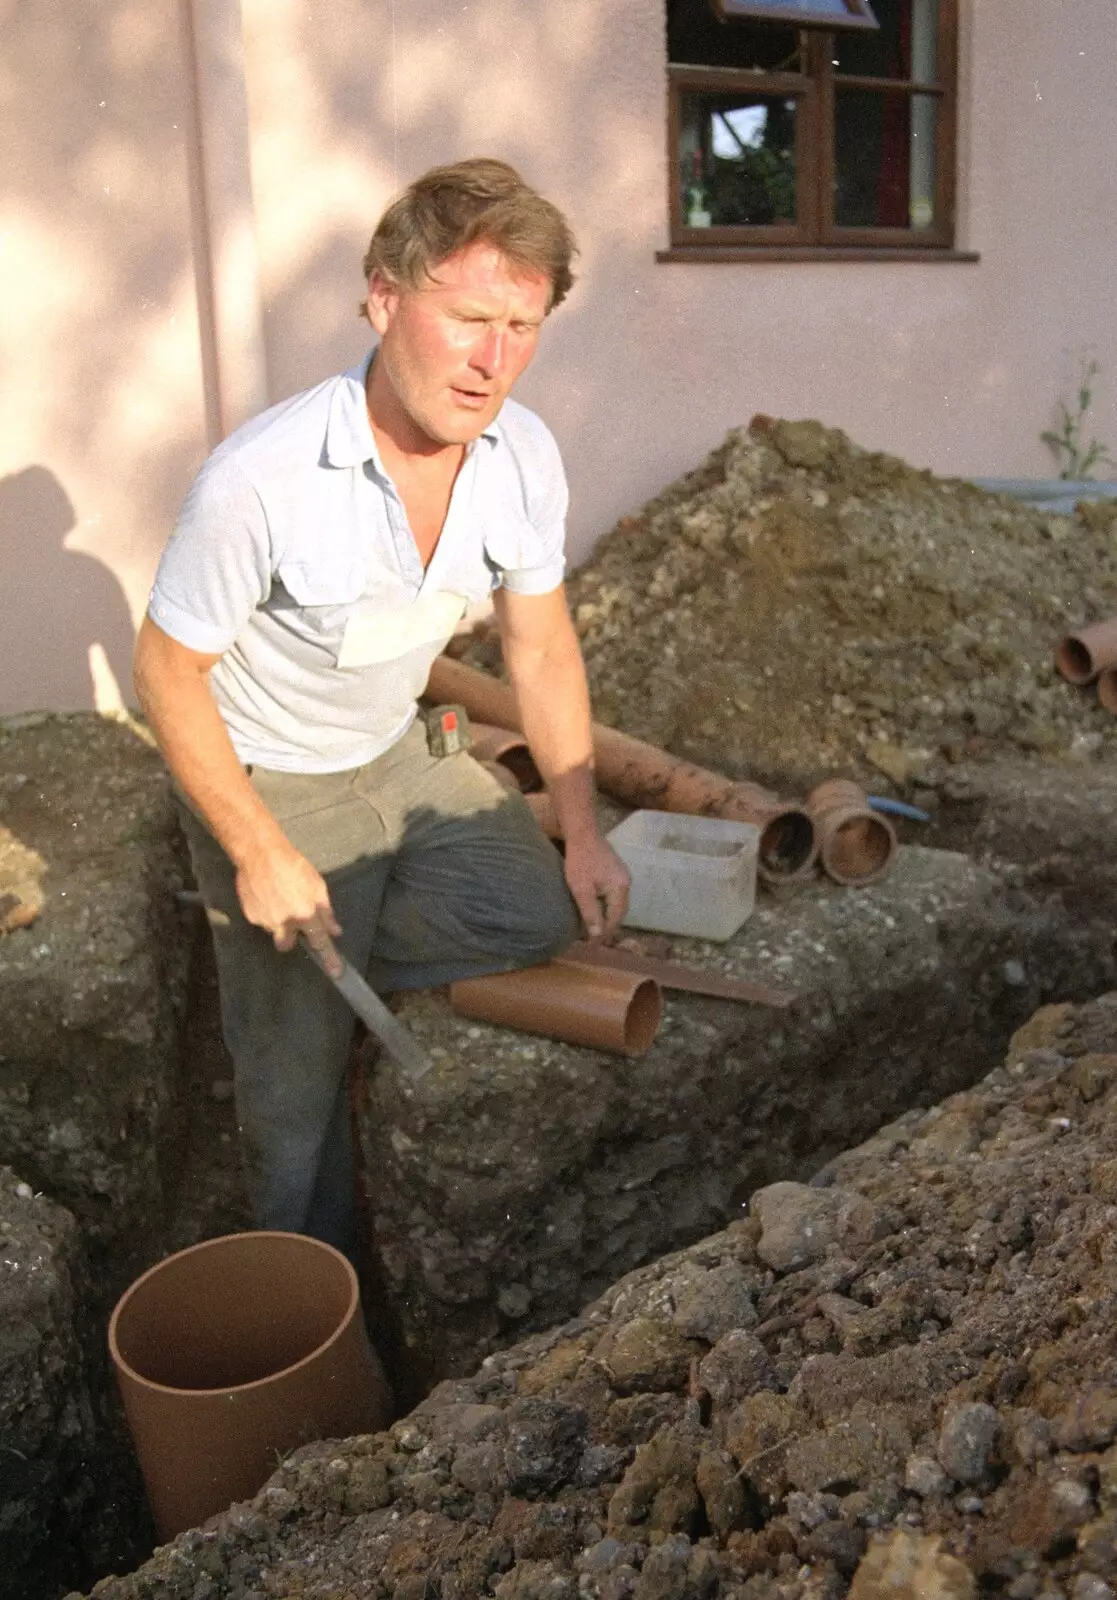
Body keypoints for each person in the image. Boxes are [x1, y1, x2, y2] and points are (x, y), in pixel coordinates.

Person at [134, 158, 630, 1257]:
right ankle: (309, 1285)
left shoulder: (523, 454)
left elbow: (540, 646)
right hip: (274, 778)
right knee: (291, 1105)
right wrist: (257, 850)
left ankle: (317, 948)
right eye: (467, 318)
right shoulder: (260, 480)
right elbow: (167, 673)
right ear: (384, 298)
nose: (494, 359)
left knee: (539, 915)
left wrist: (584, 827)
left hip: (399, 757)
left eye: (523, 324)